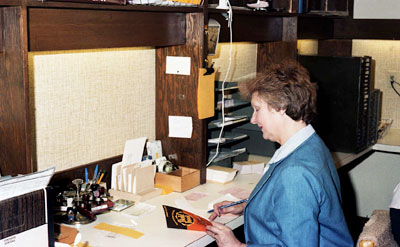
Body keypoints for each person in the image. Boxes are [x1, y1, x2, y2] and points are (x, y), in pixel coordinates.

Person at [206, 61, 354, 247]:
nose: (253, 119)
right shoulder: (310, 143)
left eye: (257, 109)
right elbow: (297, 205)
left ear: (281, 106)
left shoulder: (295, 173)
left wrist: (237, 246)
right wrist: (247, 206)